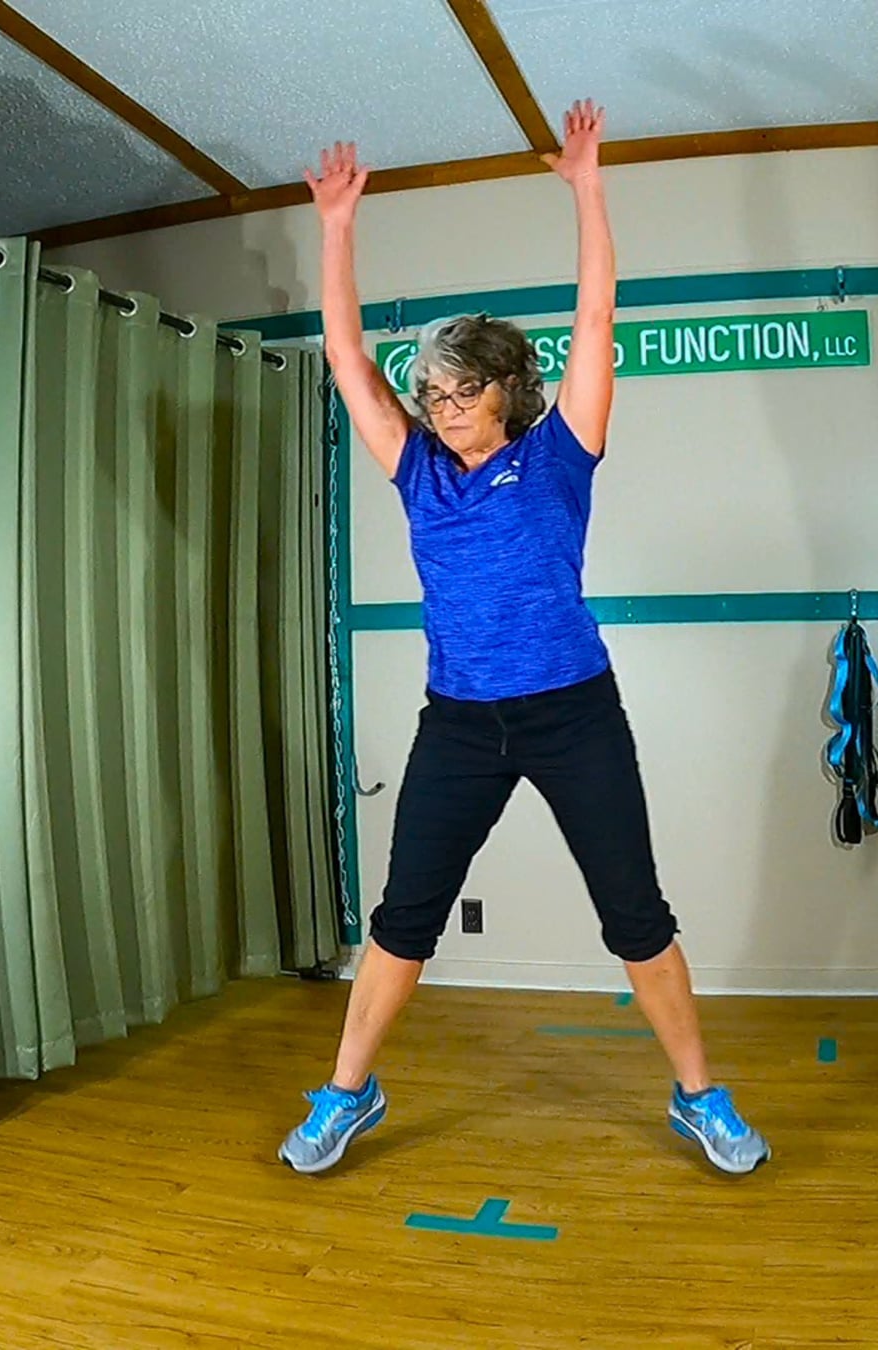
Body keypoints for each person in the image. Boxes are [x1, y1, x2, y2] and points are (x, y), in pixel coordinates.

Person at [279, 102, 769, 1177]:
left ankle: (700, 1096)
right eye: (433, 392)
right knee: (404, 916)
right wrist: (337, 228)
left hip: (573, 714)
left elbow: (596, 318)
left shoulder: (558, 454)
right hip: (459, 724)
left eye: (465, 389)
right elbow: (346, 355)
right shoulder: (416, 470)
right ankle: (347, 1093)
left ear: (509, 388)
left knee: (635, 912)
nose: (445, 406)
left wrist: (587, 189)